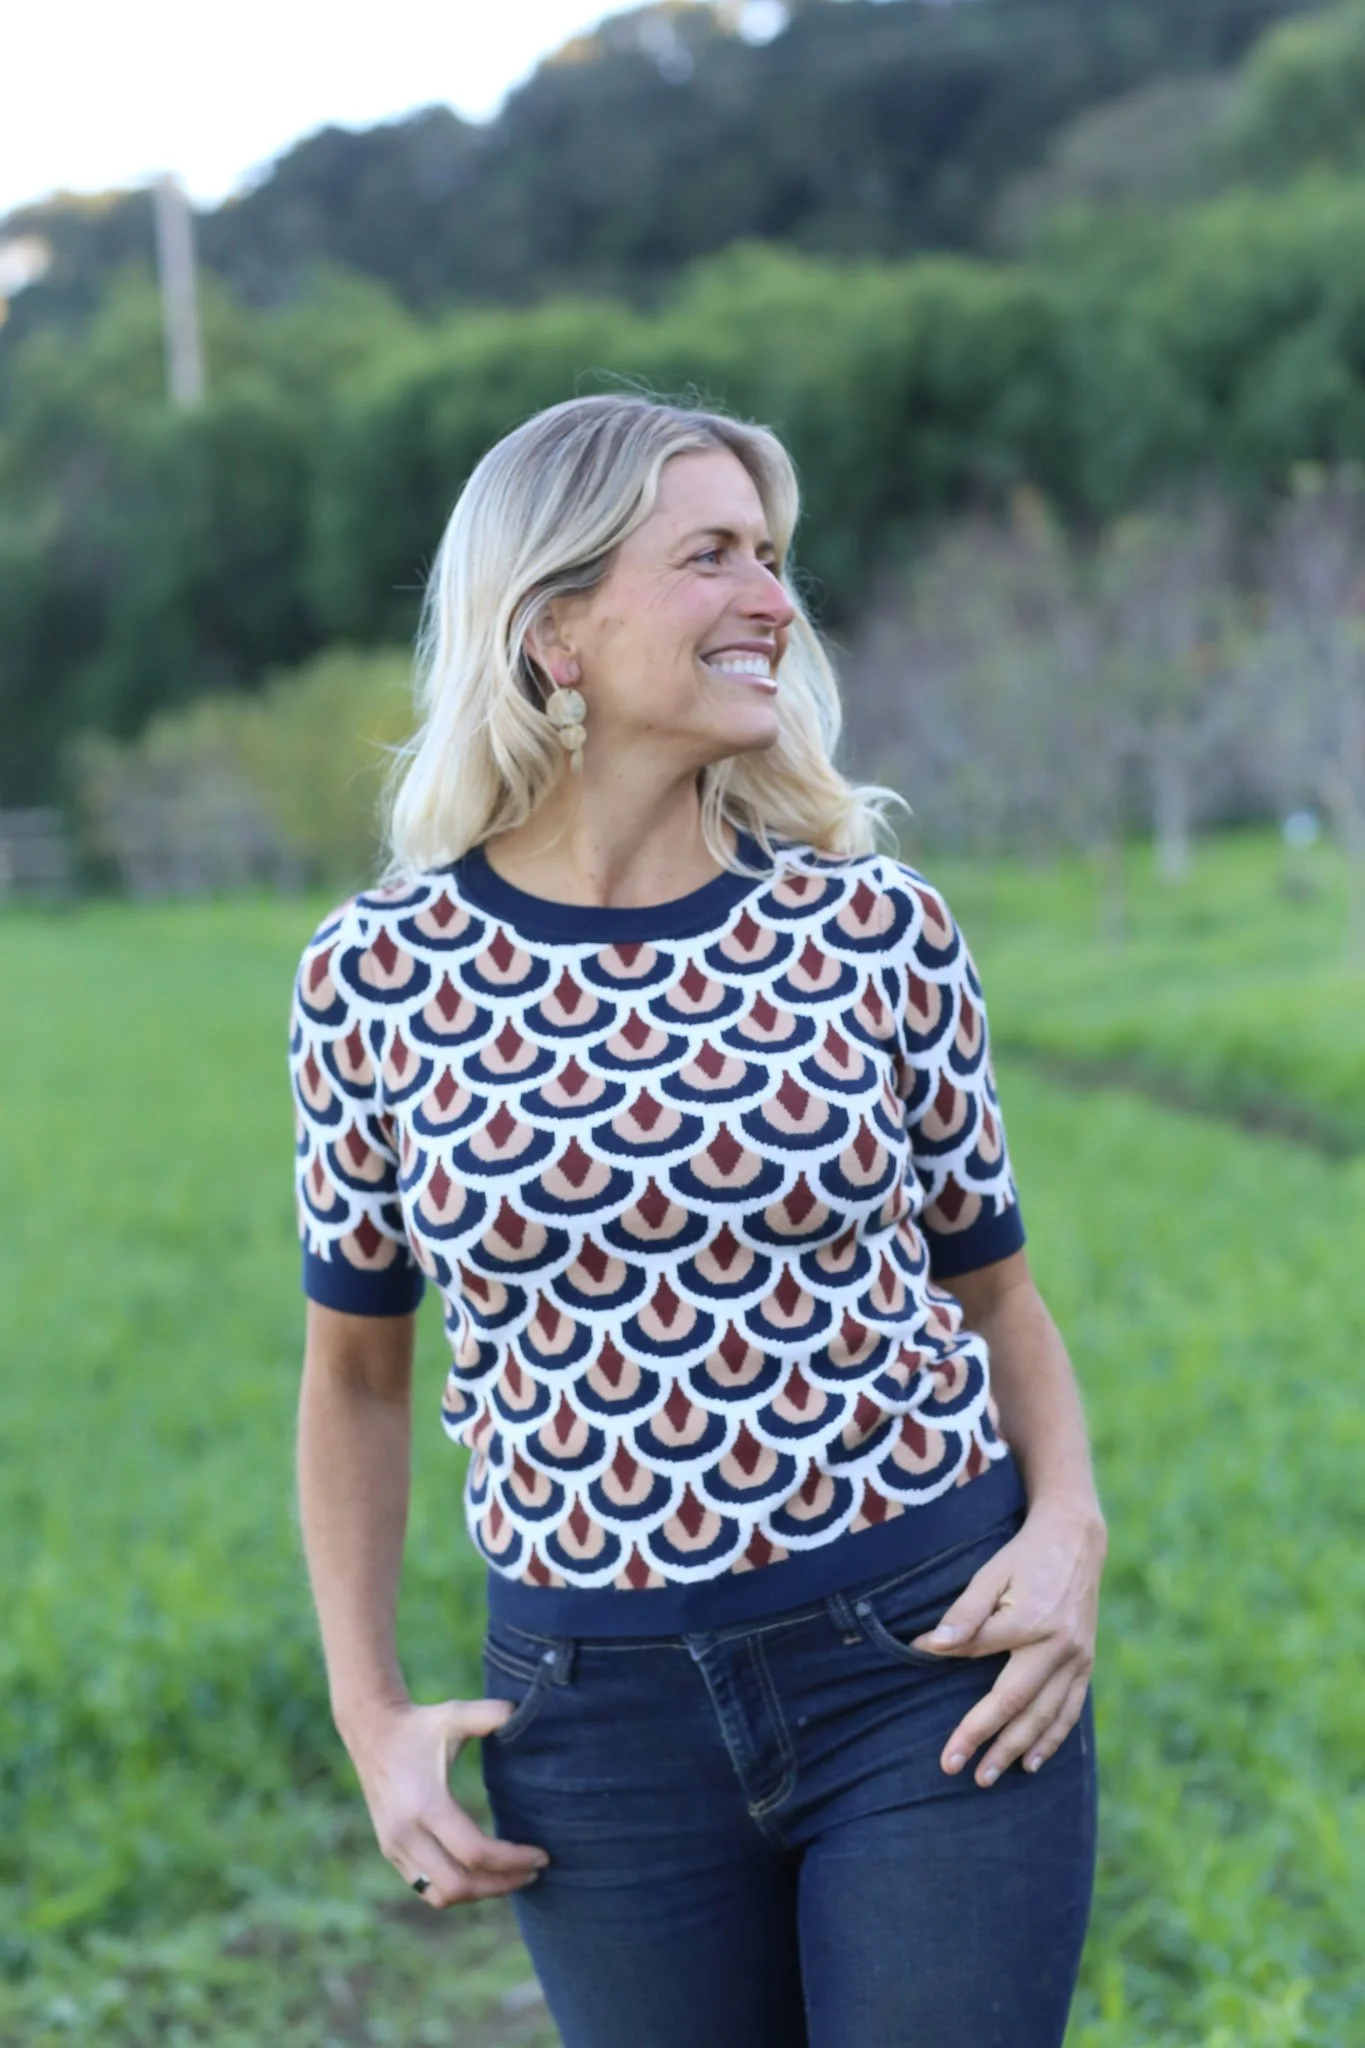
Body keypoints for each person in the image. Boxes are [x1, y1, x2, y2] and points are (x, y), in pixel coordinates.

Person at [290, 393, 1105, 2048]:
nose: (774, 600)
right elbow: (358, 1378)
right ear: (557, 628)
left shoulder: (875, 931)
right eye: (714, 556)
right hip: (594, 1730)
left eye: (776, 558)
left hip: (929, 1670)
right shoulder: (373, 977)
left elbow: (998, 1300)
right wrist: (369, 1710)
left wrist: (1069, 1528)